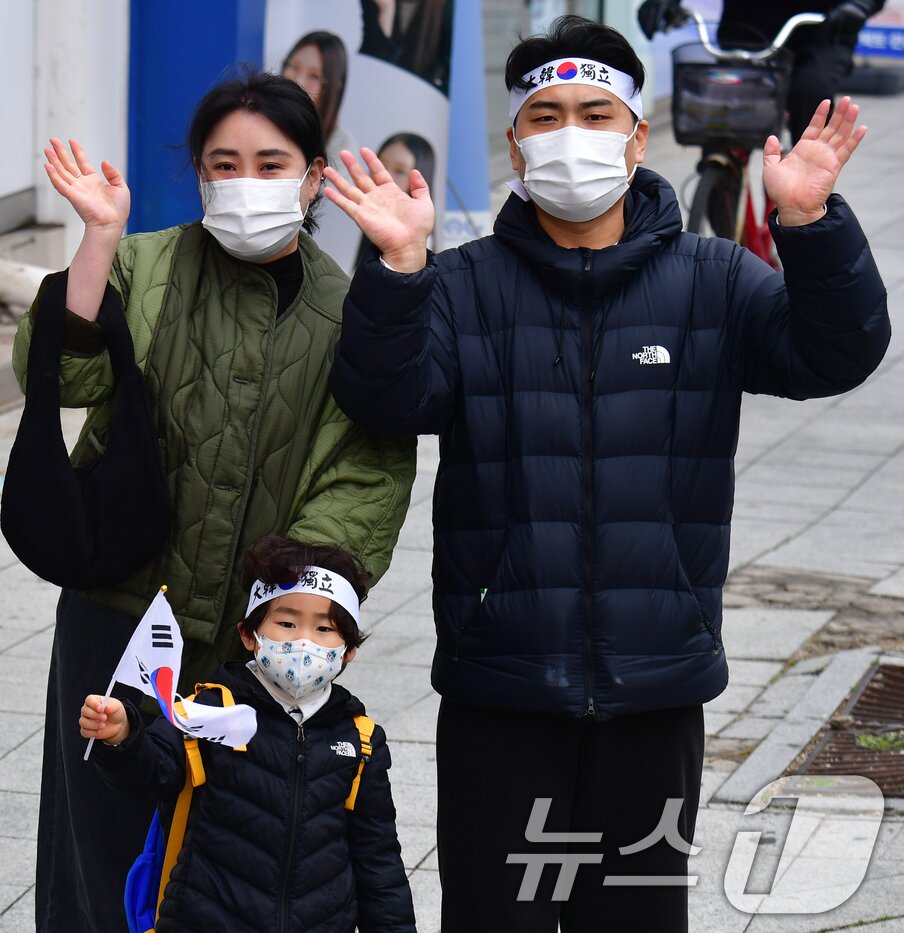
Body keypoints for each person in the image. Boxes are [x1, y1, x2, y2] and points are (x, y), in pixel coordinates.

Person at [323, 15, 888, 930]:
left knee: (631, 915)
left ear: (636, 131)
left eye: (594, 112)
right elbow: (386, 399)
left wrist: (810, 224)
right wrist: (396, 269)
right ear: (515, 141)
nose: (569, 134)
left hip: (654, 689)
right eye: (545, 116)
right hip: (498, 683)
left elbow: (838, 353)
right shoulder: (464, 284)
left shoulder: (714, 279)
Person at [14, 71, 417, 932]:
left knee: (232, 860)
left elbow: (365, 473)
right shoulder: (144, 263)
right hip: (118, 614)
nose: (245, 183)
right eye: (223, 163)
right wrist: (96, 238)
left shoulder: (348, 314)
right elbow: (64, 372)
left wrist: (291, 615)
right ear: (198, 174)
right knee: (96, 851)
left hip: (254, 645)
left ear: (313, 178)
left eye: (270, 163)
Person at [81, 536, 416, 933]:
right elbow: (153, 771)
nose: (304, 642)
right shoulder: (211, 710)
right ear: (249, 635)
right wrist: (124, 736)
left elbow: (378, 859)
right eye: (287, 623)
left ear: (348, 651)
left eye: (325, 628)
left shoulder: (359, 739)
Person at [638, 0, 884, 145]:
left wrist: (860, 4)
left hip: (822, 32)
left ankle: (808, 183)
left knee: (809, 90)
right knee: (721, 113)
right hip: (747, 31)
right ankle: (721, 180)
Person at [354, 133, 435, 268]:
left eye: (400, 171)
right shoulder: (369, 222)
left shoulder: (419, 243)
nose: (385, 176)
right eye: (380, 166)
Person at [282, 31, 358, 167]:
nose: (298, 81)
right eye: (293, 66)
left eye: (314, 76)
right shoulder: (256, 120)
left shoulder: (340, 145)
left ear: (335, 86)